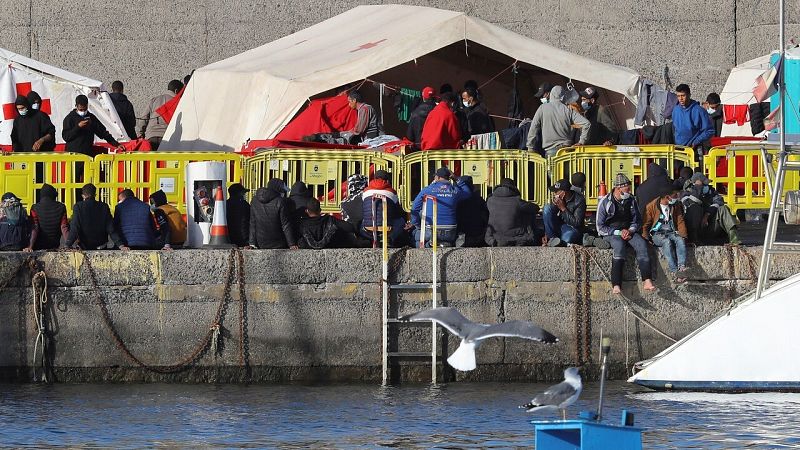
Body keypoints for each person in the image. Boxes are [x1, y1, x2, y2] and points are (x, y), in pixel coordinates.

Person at [596, 173, 655, 294]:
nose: (629, 191)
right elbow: (600, 227)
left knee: (641, 245)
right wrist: (619, 232)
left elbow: (637, 221)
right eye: (627, 189)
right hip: (611, 232)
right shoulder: (605, 202)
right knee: (619, 246)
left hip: (628, 230)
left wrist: (630, 230)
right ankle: (616, 284)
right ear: (618, 189)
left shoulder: (631, 200)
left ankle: (647, 279)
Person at [410, 167, 471, 247]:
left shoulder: (427, 190)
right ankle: (445, 243)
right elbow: (467, 193)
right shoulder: (455, 191)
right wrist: (456, 179)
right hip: (450, 231)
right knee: (447, 239)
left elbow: (415, 208)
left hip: (431, 229)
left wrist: (417, 225)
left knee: (415, 235)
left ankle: (429, 245)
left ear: (437, 177)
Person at [527, 86, 591, 157]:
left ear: (551, 95)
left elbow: (534, 128)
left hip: (551, 152)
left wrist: (530, 148)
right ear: (563, 96)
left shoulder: (542, 108)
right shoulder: (568, 110)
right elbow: (586, 123)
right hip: (566, 152)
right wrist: (581, 142)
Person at [642, 187, 689, 283]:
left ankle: (682, 268)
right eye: (675, 195)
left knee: (680, 240)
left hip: (671, 231)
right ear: (667, 197)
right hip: (657, 233)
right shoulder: (651, 206)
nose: (677, 197)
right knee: (666, 242)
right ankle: (674, 271)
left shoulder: (675, 205)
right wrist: (646, 239)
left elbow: (680, 221)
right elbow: (645, 225)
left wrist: (683, 235)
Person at [681, 173, 740, 245]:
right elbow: (689, 203)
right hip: (695, 229)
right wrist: (698, 188)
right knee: (694, 208)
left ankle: (734, 238)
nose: (706, 186)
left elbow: (719, 201)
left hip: (709, 226)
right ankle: (694, 240)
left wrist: (707, 214)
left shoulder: (711, 191)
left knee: (723, 208)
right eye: (703, 184)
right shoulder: (686, 194)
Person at [65, 184, 122, 250]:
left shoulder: (78, 206)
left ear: (83, 195)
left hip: (84, 246)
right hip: (101, 246)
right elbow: (110, 227)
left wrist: (68, 244)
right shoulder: (104, 206)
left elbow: (75, 227)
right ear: (95, 195)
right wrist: (120, 244)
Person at [485, 178, 540, 247]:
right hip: (516, 237)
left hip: (495, 238)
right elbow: (536, 208)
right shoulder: (517, 201)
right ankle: (532, 236)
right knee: (528, 211)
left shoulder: (490, 200)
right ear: (514, 188)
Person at [248, 178, 298, 249]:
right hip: (279, 243)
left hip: (260, 243)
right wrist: (291, 244)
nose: (283, 193)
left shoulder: (254, 200)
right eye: (283, 191)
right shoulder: (280, 201)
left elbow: (252, 223)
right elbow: (285, 225)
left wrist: (252, 243)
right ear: (278, 190)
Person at [361, 170, 407, 247]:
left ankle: (372, 240)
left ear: (374, 178)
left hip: (368, 227)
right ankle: (389, 238)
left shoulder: (366, 192)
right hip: (387, 226)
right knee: (401, 221)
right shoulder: (392, 192)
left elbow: (364, 208)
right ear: (387, 180)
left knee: (363, 221)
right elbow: (398, 212)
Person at [299, 198, 366, 249]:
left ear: (307, 211)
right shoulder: (330, 220)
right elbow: (349, 227)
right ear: (320, 210)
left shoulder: (302, 224)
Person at [138, 80, 183, 150]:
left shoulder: (154, 100)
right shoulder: (179, 103)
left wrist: (141, 133)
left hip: (151, 136)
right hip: (168, 138)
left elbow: (143, 119)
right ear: (176, 91)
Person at [542, 179, 586, 247]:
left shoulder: (579, 200)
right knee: (547, 208)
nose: (554, 194)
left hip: (571, 228)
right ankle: (551, 240)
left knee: (568, 238)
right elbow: (549, 217)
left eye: (556, 192)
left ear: (564, 193)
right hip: (559, 226)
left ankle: (560, 242)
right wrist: (546, 233)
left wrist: (563, 208)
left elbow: (577, 223)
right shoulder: (558, 199)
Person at [672, 84, 714, 152]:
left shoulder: (699, 111)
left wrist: (696, 142)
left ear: (689, 95)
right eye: (678, 96)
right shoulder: (675, 110)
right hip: (679, 149)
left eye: (683, 95)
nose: (680, 99)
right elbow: (675, 129)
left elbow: (709, 131)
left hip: (695, 149)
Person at [25, 184, 68, 251]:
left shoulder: (35, 208)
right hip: (54, 245)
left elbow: (35, 227)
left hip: (38, 246)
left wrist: (30, 246)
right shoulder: (61, 207)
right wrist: (69, 244)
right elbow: (64, 227)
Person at [455, 175, 489, 247]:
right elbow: (485, 218)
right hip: (478, 236)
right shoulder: (479, 200)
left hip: (462, 236)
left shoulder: (457, 200)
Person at [227, 183, 251, 247]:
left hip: (229, 237)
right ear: (239, 194)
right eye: (243, 193)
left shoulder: (226, 204)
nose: (244, 195)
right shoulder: (245, 205)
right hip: (243, 238)